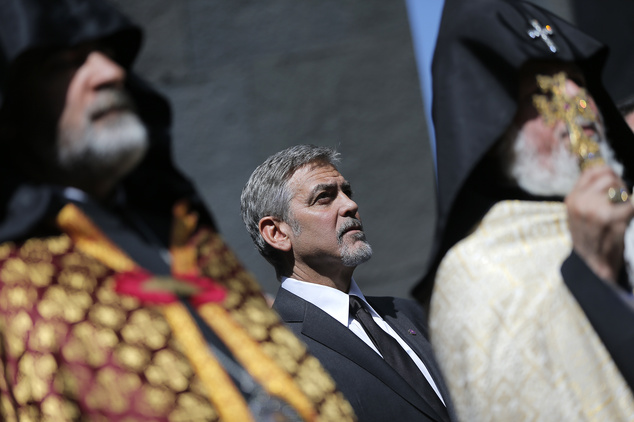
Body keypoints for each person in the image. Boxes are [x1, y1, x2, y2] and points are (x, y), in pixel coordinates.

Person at [0, 0, 357, 420]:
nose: (109, 73)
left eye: (111, 57)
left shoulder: (189, 241)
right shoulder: (15, 283)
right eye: (67, 63)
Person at [411, 0, 634, 420]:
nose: (577, 110)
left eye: (579, 84)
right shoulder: (477, 270)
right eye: (542, 96)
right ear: (494, 130)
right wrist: (594, 277)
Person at [241, 144, 458, 422]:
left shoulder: (409, 314)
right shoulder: (276, 349)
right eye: (324, 198)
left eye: (347, 192)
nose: (350, 205)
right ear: (277, 233)